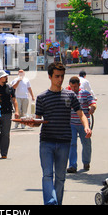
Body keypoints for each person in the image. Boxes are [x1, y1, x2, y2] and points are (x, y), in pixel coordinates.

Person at [28, 62, 91, 205]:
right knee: (47, 175)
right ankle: (51, 202)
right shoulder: (42, 97)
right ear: (50, 76)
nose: (60, 79)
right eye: (57, 76)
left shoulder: (70, 95)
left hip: (64, 141)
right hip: (46, 141)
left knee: (61, 177)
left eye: (62, 76)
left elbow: (81, 114)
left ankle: (57, 202)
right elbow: (38, 120)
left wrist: (86, 126)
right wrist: (32, 123)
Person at [66, 76, 96, 173]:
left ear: (79, 85)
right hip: (71, 123)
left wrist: (92, 107)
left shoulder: (85, 93)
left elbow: (93, 103)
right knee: (72, 144)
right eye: (71, 87)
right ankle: (72, 165)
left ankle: (86, 162)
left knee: (86, 143)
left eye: (75, 87)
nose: (73, 89)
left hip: (84, 124)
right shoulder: (68, 95)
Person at [0, 70, 19, 158]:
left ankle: (4, 153)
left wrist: (17, 111)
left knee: (5, 133)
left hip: (7, 113)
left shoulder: (10, 88)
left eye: (6, 76)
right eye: (4, 76)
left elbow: (14, 100)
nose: (6, 78)